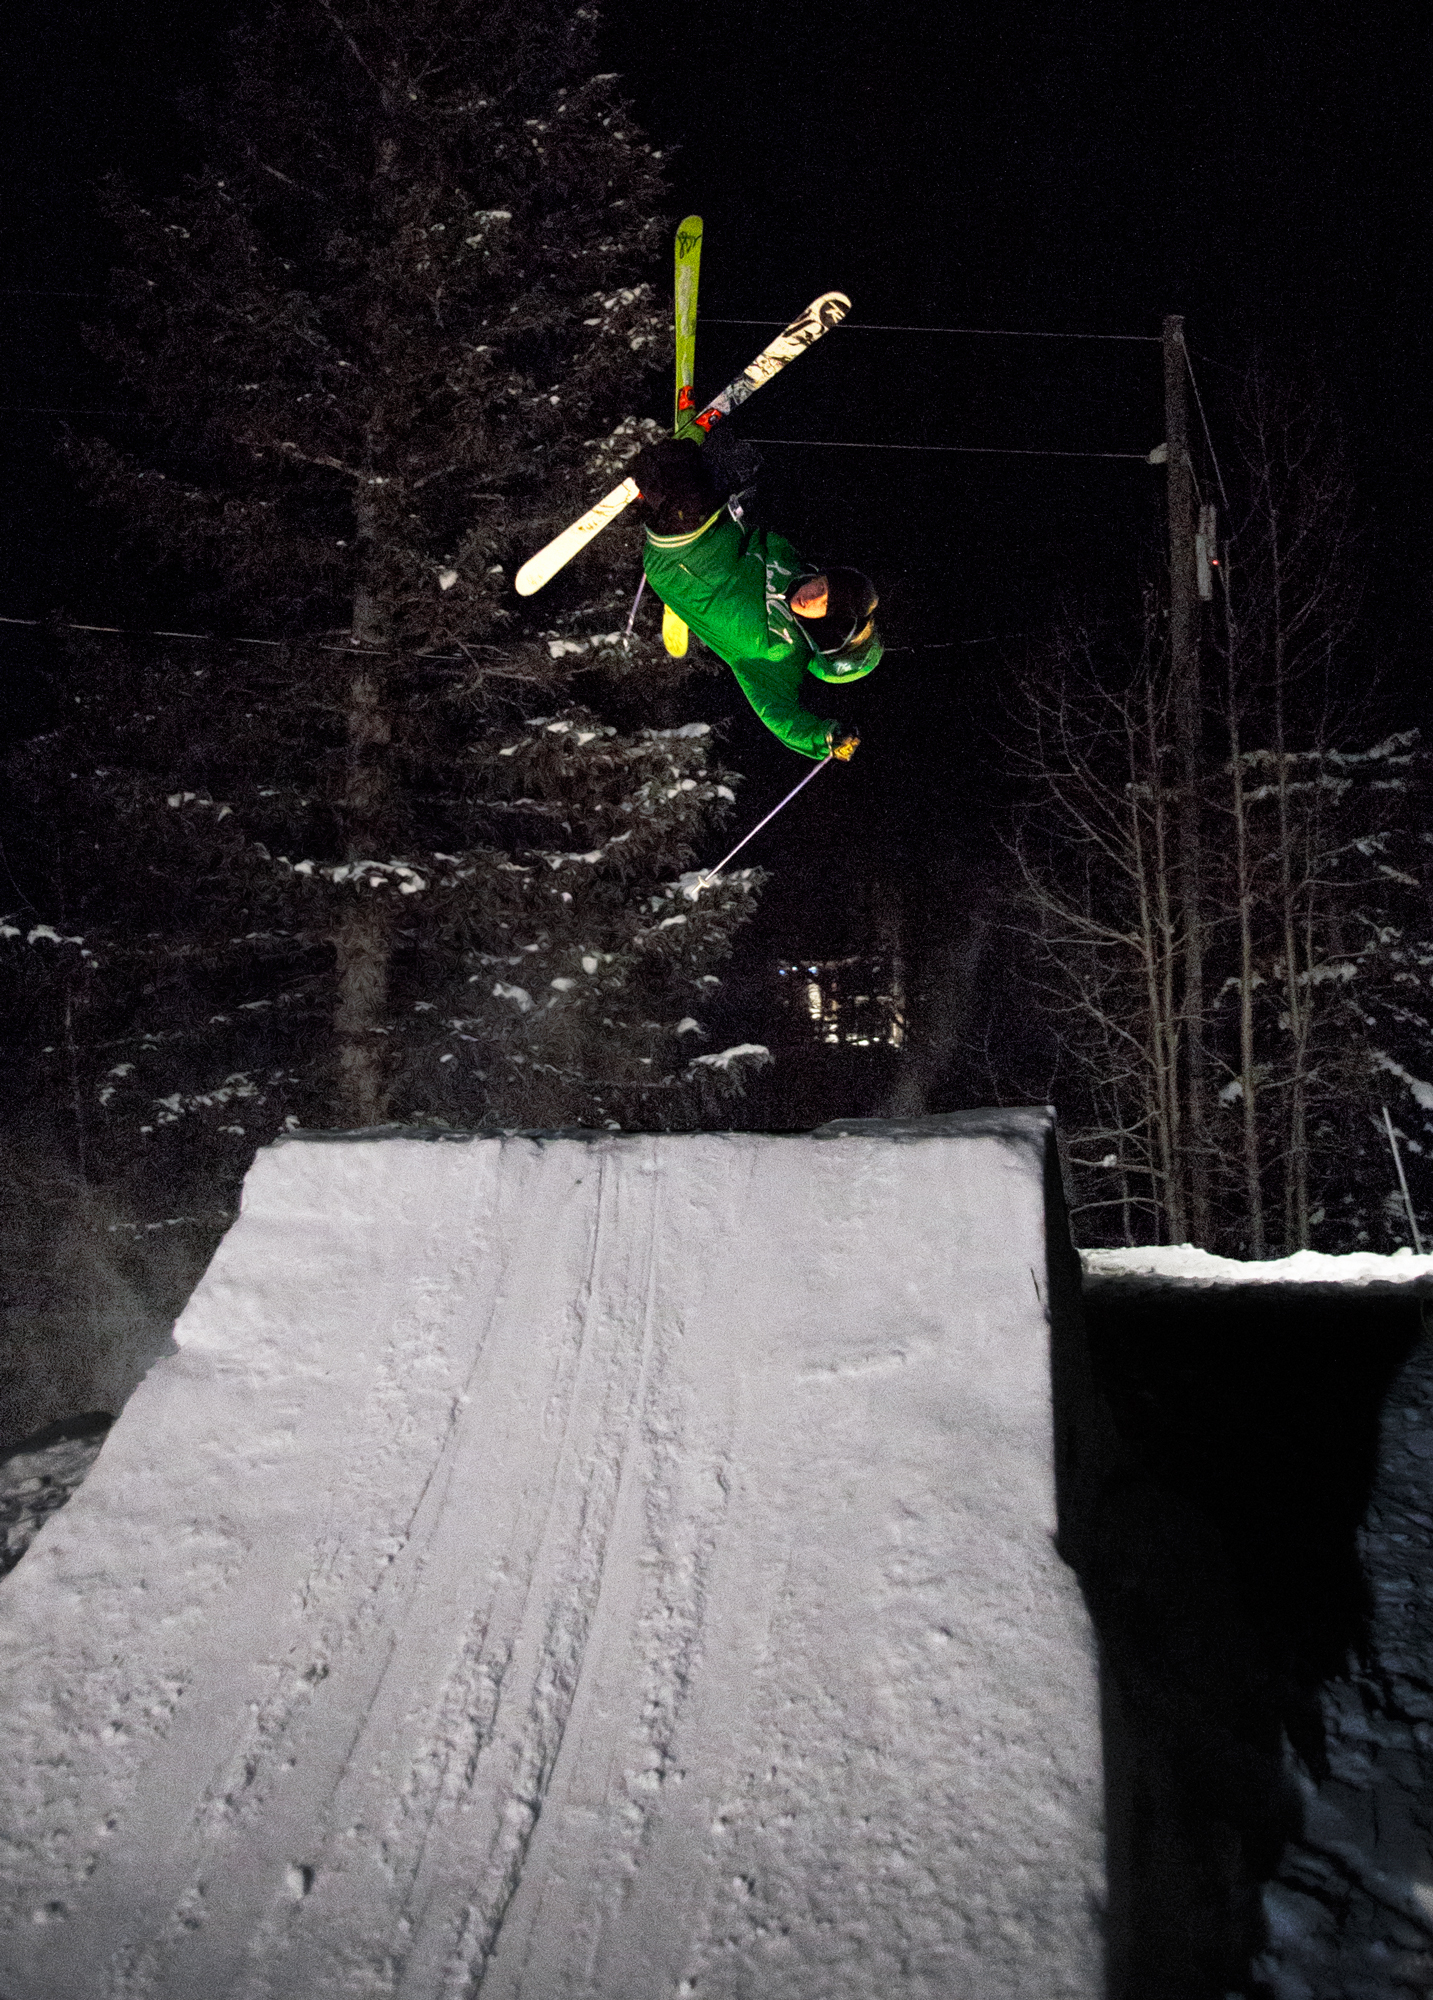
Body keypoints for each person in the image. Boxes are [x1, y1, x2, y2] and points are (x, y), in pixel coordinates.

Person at [632, 437, 881, 762]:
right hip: (715, 527)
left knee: (677, 482)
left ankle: (655, 469)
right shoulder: (795, 564)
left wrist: (825, 737)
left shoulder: (779, 660)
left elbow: (779, 716)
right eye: (822, 584)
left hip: (680, 561)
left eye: (822, 603)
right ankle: (680, 467)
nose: (812, 593)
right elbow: (758, 526)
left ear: (824, 633)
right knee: (737, 462)